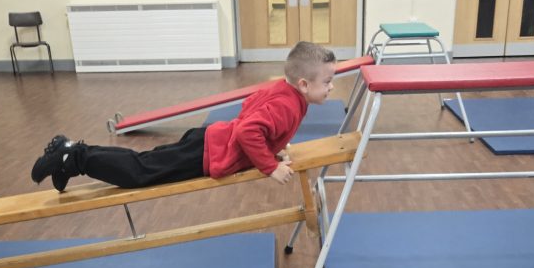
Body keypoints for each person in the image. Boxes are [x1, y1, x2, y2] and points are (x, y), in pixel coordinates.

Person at [31, 41, 336, 193]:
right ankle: (73, 156)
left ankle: (72, 159)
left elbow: (250, 108)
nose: (331, 87)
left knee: (145, 161)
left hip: (208, 140)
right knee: (140, 172)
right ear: (303, 84)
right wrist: (269, 166)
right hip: (207, 153)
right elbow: (248, 131)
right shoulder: (288, 105)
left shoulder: (283, 91)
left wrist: (270, 148)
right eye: (327, 82)